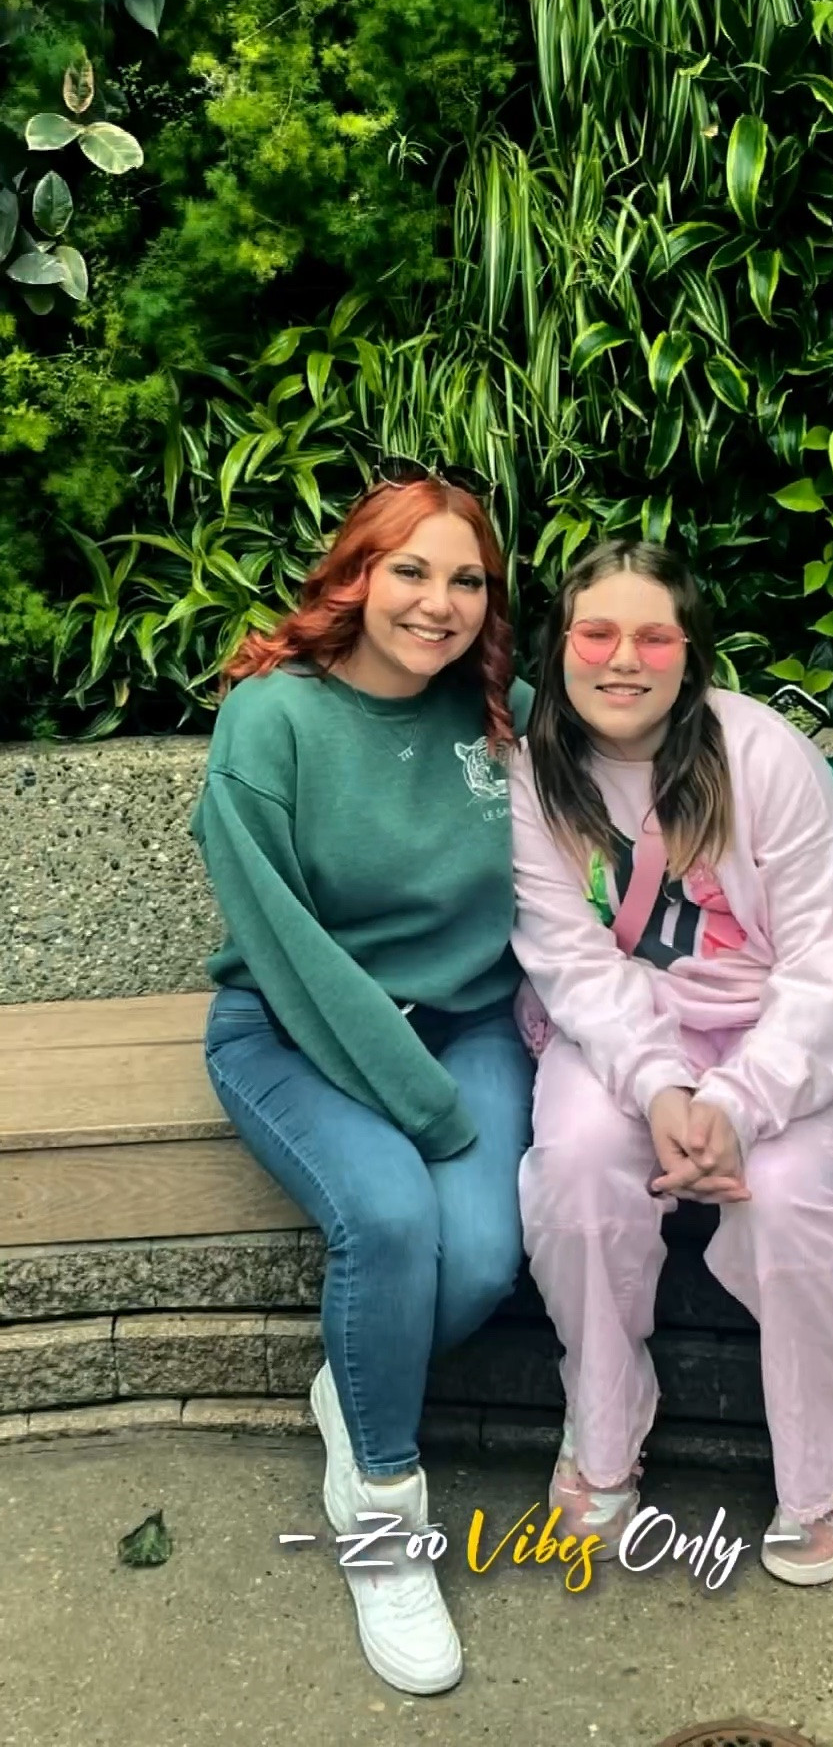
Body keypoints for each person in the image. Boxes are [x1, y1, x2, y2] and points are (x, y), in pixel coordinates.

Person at [509, 539, 833, 1587]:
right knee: (576, 1164)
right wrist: (660, 1085)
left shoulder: (761, 755)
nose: (623, 659)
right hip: (630, 1027)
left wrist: (736, 1102)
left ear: (691, 653)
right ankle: (603, 1425)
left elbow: (828, 964)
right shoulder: (534, 775)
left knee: (779, 1196)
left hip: (797, 1028)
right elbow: (569, 960)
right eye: (597, 633)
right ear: (561, 646)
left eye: (654, 636)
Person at [190, 469, 535, 1695]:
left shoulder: (502, 715)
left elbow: (646, 778)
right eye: (412, 571)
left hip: (468, 1026)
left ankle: (354, 1384)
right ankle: (383, 1512)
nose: (439, 603)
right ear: (357, 574)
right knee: (389, 1221)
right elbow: (283, 945)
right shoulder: (271, 720)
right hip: (292, 1029)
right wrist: (425, 1109)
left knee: (482, 1257)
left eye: (467, 580)